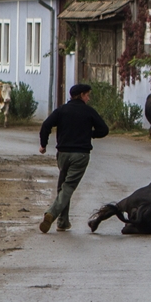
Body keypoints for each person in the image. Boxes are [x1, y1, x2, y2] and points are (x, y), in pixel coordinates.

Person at [38, 83, 109, 233]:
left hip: (63, 154)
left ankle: (63, 222)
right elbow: (104, 129)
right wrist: (90, 134)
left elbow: (46, 125)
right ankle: (51, 213)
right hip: (80, 155)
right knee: (68, 187)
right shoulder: (88, 112)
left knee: (63, 187)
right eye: (88, 95)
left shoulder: (62, 110)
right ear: (82, 95)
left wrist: (43, 144)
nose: (88, 98)